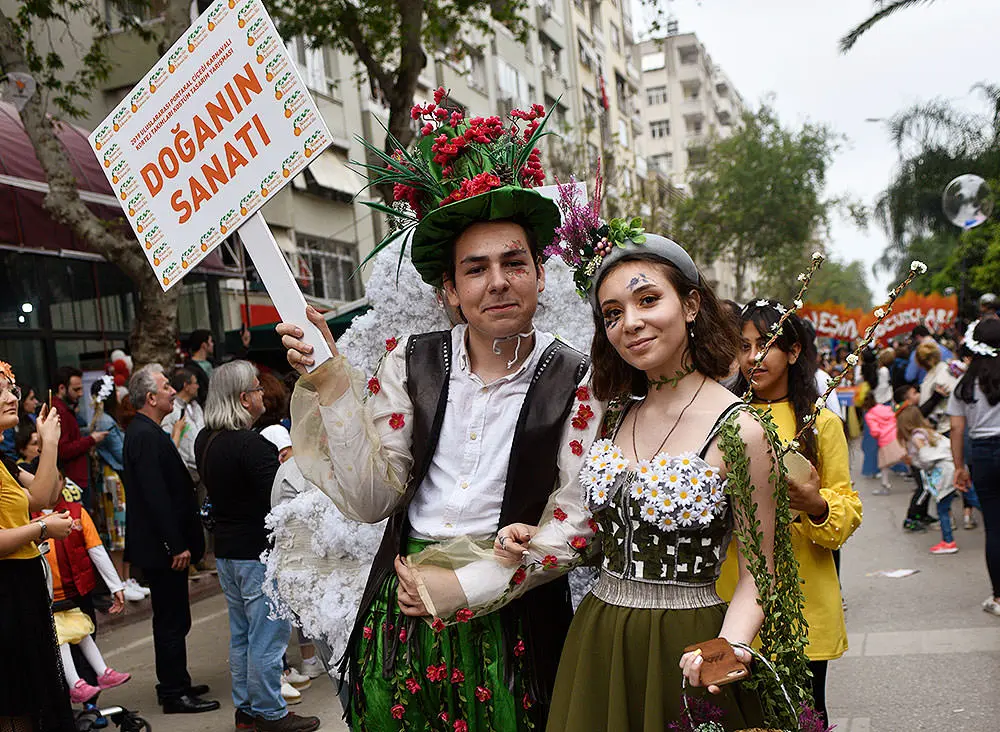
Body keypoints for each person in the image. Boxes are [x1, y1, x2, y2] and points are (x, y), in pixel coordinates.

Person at [278, 93, 595, 731]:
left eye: (514, 263)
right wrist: (331, 382)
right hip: (405, 615)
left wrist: (475, 582)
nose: (497, 281)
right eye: (475, 270)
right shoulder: (410, 362)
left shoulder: (579, 378)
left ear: (540, 275)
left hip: (516, 622)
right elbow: (373, 498)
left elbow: (577, 521)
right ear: (450, 289)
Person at [494, 244, 811, 731]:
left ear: (691, 304)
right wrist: (536, 539)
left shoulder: (740, 430)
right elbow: (610, 535)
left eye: (647, 300)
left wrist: (730, 647)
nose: (631, 322)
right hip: (599, 641)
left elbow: (760, 573)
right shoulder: (614, 415)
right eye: (613, 313)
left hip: (686, 646)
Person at [719, 300, 862, 726]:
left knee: (804, 713)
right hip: (732, 594)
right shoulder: (724, 420)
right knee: (740, 715)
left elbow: (846, 509)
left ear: (794, 351)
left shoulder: (821, 424)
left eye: (765, 345)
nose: (753, 358)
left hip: (805, 596)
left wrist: (816, 505)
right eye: (744, 346)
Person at [194, 361, 319, 732]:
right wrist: (292, 465)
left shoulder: (206, 438)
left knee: (242, 636)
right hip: (257, 553)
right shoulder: (250, 444)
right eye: (256, 388)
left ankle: (247, 711)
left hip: (228, 551)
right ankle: (269, 712)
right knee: (267, 637)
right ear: (243, 398)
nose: (263, 393)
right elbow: (281, 498)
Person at [121, 364, 219, 714]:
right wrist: (174, 545)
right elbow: (155, 497)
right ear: (151, 398)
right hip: (162, 549)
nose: (172, 391)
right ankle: (174, 692)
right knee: (171, 621)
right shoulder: (144, 435)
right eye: (165, 387)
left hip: (165, 545)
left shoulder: (149, 431)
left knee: (175, 618)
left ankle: (178, 681)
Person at [0, 360, 77, 732]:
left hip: (21, 589)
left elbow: (46, 494)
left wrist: (49, 443)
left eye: (10, 389)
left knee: (31, 701)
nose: (10, 397)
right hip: (5, 592)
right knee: (14, 704)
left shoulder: (4, 461)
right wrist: (42, 528)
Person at [31, 472, 131, 703]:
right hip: (46, 598)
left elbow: (96, 550)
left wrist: (115, 586)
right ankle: (73, 697)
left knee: (85, 638)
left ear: (64, 483)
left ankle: (92, 703)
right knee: (60, 647)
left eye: (56, 479)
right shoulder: (28, 518)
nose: (51, 485)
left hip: (78, 593)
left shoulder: (76, 512)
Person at [948, 319, 1000, 616]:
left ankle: (999, 598)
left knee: (994, 527)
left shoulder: (965, 384)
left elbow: (957, 429)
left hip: (982, 454)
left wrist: (959, 467)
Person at [896, 405, 980, 555]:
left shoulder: (916, 437)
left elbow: (926, 458)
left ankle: (948, 541)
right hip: (957, 466)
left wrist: (912, 461)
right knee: (973, 498)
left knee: (942, 508)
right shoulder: (930, 433)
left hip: (945, 473)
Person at [52, 366, 108, 510]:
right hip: (73, 480)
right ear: (62, 388)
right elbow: (63, 449)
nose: (81, 394)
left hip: (75, 478)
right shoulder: (60, 411)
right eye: (76, 389)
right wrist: (91, 439)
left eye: (81, 389)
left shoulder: (65, 409)